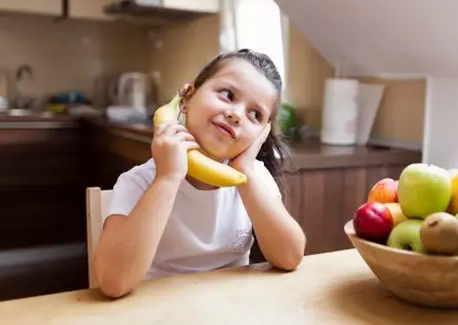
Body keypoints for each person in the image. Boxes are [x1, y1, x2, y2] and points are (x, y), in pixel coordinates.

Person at [92, 49, 307, 298]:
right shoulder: (140, 181)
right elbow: (113, 282)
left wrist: (246, 172)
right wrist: (168, 177)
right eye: (228, 95)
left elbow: (290, 257)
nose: (236, 114)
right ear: (187, 98)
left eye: (255, 114)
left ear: (262, 133)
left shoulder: (253, 176)